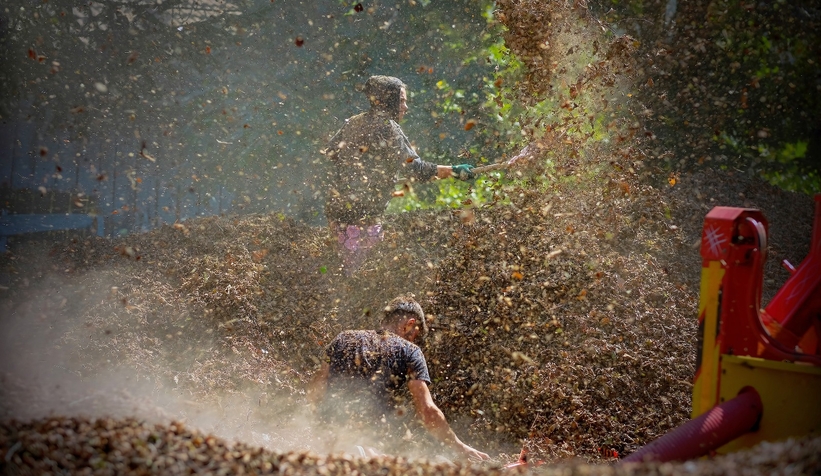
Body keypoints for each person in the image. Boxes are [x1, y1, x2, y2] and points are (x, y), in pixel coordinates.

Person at [307, 294, 489, 461]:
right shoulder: (410, 351)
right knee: (441, 463)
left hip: (329, 445)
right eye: (415, 335)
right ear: (410, 324)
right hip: (366, 452)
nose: (413, 341)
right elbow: (426, 410)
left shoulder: (343, 339)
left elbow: (317, 388)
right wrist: (460, 446)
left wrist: (311, 427)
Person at [323, 75, 476, 273]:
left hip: (337, 212)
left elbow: (331, 152)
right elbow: (416, 169)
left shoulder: (354, 122)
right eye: (402, 101)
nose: (405, 107)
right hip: (362, 219)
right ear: (389, 100)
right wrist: (455, 171)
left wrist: (369, 170)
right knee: (361, 274)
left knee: (345, 267)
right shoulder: (388, 128)